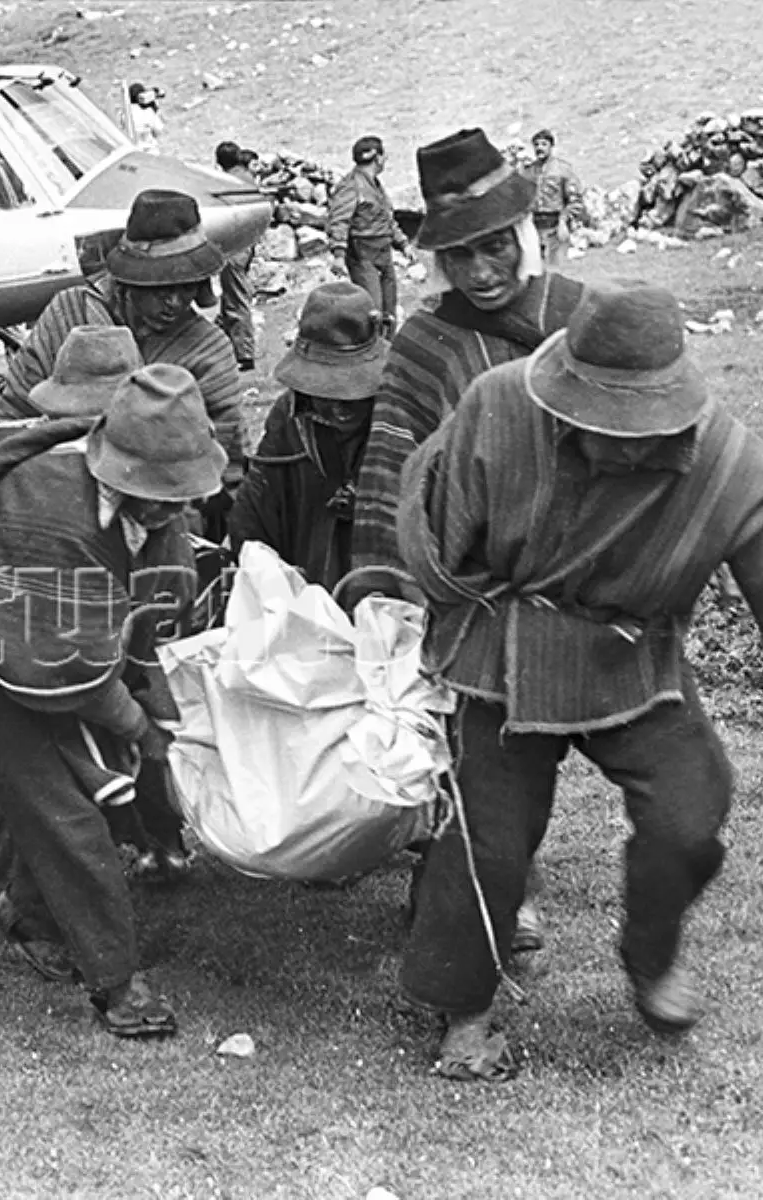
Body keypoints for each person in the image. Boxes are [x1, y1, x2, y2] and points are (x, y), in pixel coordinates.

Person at [393, 280, 763, 1080]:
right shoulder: (497, 407)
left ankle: (650, 954)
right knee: (488, 847)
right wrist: (446, 636)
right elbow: (435, 533)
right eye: (603, 427)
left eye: (643, 431)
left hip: (632, 661)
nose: (624, 445)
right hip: (507, 655)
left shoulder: (719, 455)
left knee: (688, 813)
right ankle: (464, 1006)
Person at [0, 363, 224, 1037]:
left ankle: (29, 914)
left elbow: (150, 619)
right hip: (0, 667)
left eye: (180, 495)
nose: (172, 508)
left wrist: (162, 711)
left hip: (67, 658)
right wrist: (144, 727)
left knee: (97, 793)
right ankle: (115, 981)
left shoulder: (153, 513)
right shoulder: (50, 512)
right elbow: (69, 671)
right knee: (70, 818)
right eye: (161, 495)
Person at [347, 128, 589, 951]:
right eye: (462, 257)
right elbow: (392, 457)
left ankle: (486, 888)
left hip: (569, 581)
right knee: (476, 752)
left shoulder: (579, 318)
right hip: (466, 584)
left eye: (496, 249)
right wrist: (385, 582)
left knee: (535, 749)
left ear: (525, 234)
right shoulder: (426, 343)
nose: (482, 273)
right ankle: (469, 905)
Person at [0, 189, 246, 512]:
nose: (175, 302)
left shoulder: (208, 350)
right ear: (130, 280)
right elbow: (13, 416)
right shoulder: (70, 314)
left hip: (162, 510)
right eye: (162, 287)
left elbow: (223, 458)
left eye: (187, 286)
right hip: (53, 496)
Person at [227, 281, 385, 590]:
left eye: (351, 395)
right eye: (328, 393)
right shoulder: (289, 416)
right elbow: (256, 503)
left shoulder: (397, 413)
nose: (339, 410)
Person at [325, 136, 410, 332]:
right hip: (362, 255)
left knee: (389, 311)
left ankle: (387, 351)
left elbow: (386, 219)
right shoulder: (351, 185)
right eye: (383, 155)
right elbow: (339, 220)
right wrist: (338, 255)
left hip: (384, 253)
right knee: (373, 312)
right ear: (378, 158)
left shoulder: (376, 186)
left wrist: (403, 243)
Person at [213, 141, 259, 371]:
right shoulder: (247, 177)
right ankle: (222, 339)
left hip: (234, 248)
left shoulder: (225, 182)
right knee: (232, 296)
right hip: (248, 244)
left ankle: (245, 354)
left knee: (236, 299)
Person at [523, 129, 588, 262]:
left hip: (555, 226)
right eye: (536, 144)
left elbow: (575, 201)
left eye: (543, 144)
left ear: (551, 147)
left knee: (555, 269)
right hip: (533, 227)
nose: (539, 148)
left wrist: (563, 221)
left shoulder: (563, 169)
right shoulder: (527, 172)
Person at [127, 83, 164, 151]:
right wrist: (156, 110)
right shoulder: (148, 112)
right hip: (148, 150)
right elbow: (158, 131)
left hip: (131, 150)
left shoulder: (125, 113)